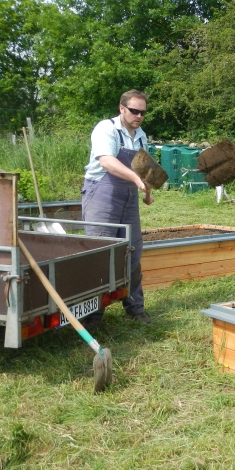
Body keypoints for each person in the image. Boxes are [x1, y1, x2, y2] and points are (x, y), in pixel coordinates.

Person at [81, 89, 154, 327]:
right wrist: (135, 179)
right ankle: (93, 316)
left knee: (133, 252)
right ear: (122, 108)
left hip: (129, 197)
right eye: (134, 111)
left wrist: (147, 193)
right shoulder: (106, 129)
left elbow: (145, 168)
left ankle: (135, 308)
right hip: (102, 194)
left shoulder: (141, 135)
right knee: (100, 254)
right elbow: (108, 161)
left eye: (142, 112)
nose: (139, 116)